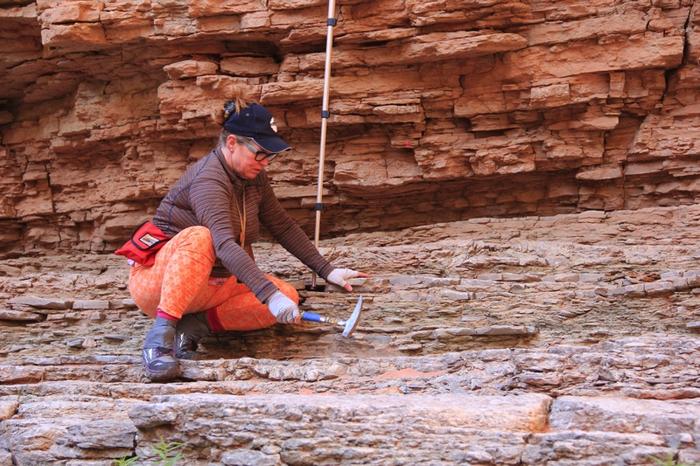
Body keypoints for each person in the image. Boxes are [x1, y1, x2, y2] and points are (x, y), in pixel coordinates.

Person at [126, 98, 367, 381]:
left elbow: (283, 226)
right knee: (201, 238)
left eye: (271, 155)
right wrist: (269, 296)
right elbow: (224, 245)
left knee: (287, 295)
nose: (265, 162)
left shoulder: (253, 177)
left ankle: (192, 328)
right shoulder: (208, 180)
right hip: (158, 284)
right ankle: (158, 341)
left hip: (209, 286)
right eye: (260, 153)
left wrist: (328, 271)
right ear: (231, 143)